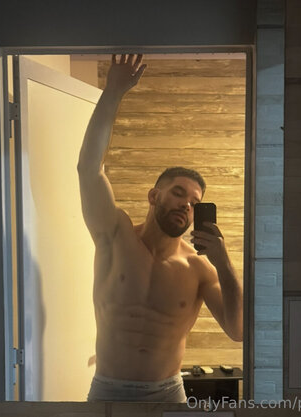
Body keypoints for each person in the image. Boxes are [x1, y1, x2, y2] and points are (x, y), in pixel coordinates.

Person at [77, 54, 243, 403]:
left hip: (167, 393)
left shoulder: (199, 268)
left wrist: (224, 263)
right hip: (107, 389)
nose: (186, 205)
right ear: (154, 196)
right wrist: (113, 91)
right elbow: (89, 169)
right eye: (178, 193)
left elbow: (238, 330)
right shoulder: (115, 235)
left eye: (195, 203)